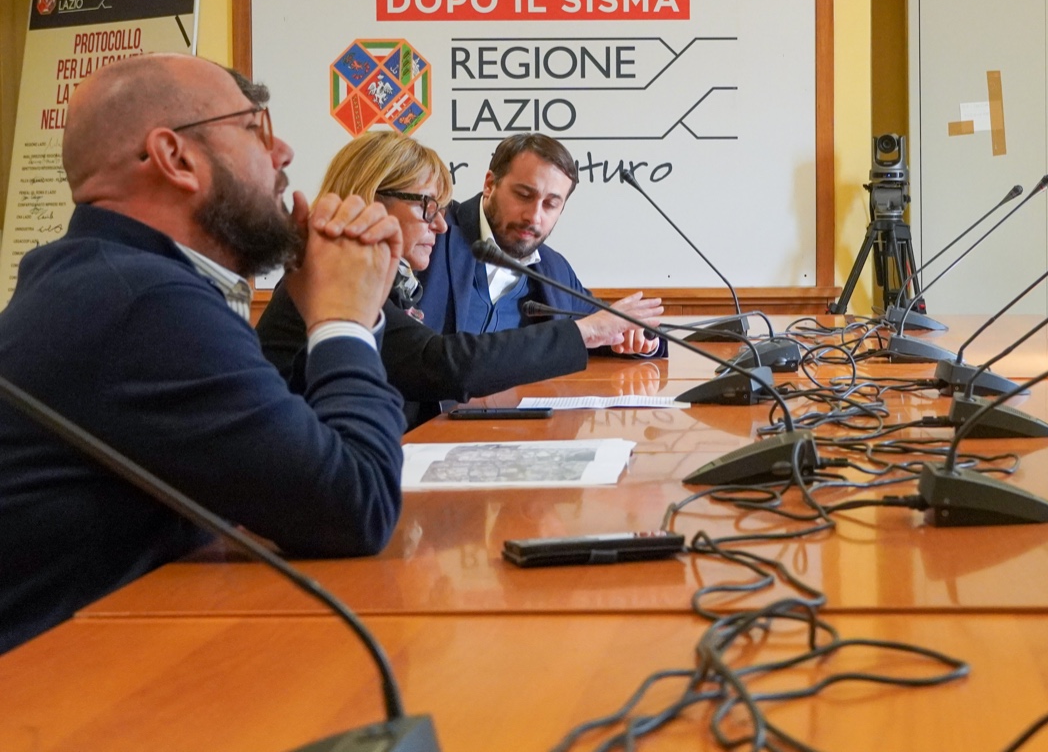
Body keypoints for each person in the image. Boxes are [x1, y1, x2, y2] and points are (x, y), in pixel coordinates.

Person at [0, 53, 408, 655]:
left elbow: (291, 461)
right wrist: (343, 318)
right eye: (254, 128)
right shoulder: (143, 302)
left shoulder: (113, 277)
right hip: (50, 687)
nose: (283, 151)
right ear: (175, 158)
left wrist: (341, 313)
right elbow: (355, 507)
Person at [258, 132, 631, 427]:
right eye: (427, 206)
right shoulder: (330, 279)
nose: (440, 224)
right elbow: (441, 364)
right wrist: (584, 333)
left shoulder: (386, 280)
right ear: (371, 200)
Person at [415, 132, 666, 355]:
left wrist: (642, 337)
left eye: (550, 204)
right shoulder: (432, 232)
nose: (534, 217)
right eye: (524, 195)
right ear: (490, 185)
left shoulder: (553, 269)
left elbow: (602, 326)